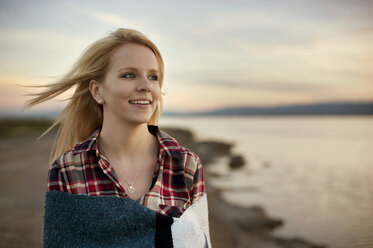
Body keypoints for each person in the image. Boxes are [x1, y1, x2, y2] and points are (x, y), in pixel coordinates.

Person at [26, 28, 211, 248]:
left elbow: (201, 243)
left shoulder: (187, 165)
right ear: (97, 91)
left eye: (153, 77)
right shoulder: (67, 169)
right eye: (129, 75)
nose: (145, 86)